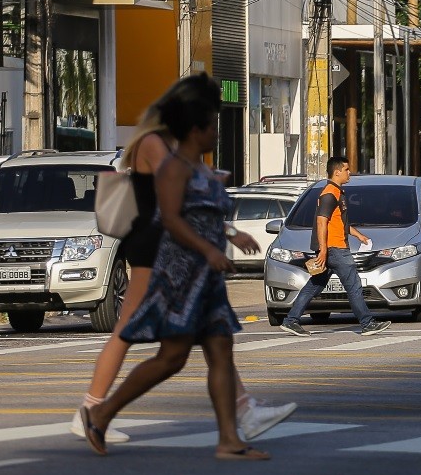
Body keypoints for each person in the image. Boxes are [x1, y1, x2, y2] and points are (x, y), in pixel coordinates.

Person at [72, 84, 294, 445]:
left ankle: (241, 413)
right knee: (133, 331)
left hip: (173, 244)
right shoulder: (157, 145)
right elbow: (178, 198)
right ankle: (94, 408)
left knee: (212, 339)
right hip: (158, 244)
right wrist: (221, 223)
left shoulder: (165, 145)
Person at [278, 157, 391, 337]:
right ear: (337, 172)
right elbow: (322, 222)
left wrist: (358, 235)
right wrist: (323, 250)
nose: (349, 173)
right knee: (354, 285)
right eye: (346, 169)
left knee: (314, 285)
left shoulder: (336, 192)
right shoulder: (330, 193)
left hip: (333, 248)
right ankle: (367, 323)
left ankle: (291, 320)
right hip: (335, 249)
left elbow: (338, 222)